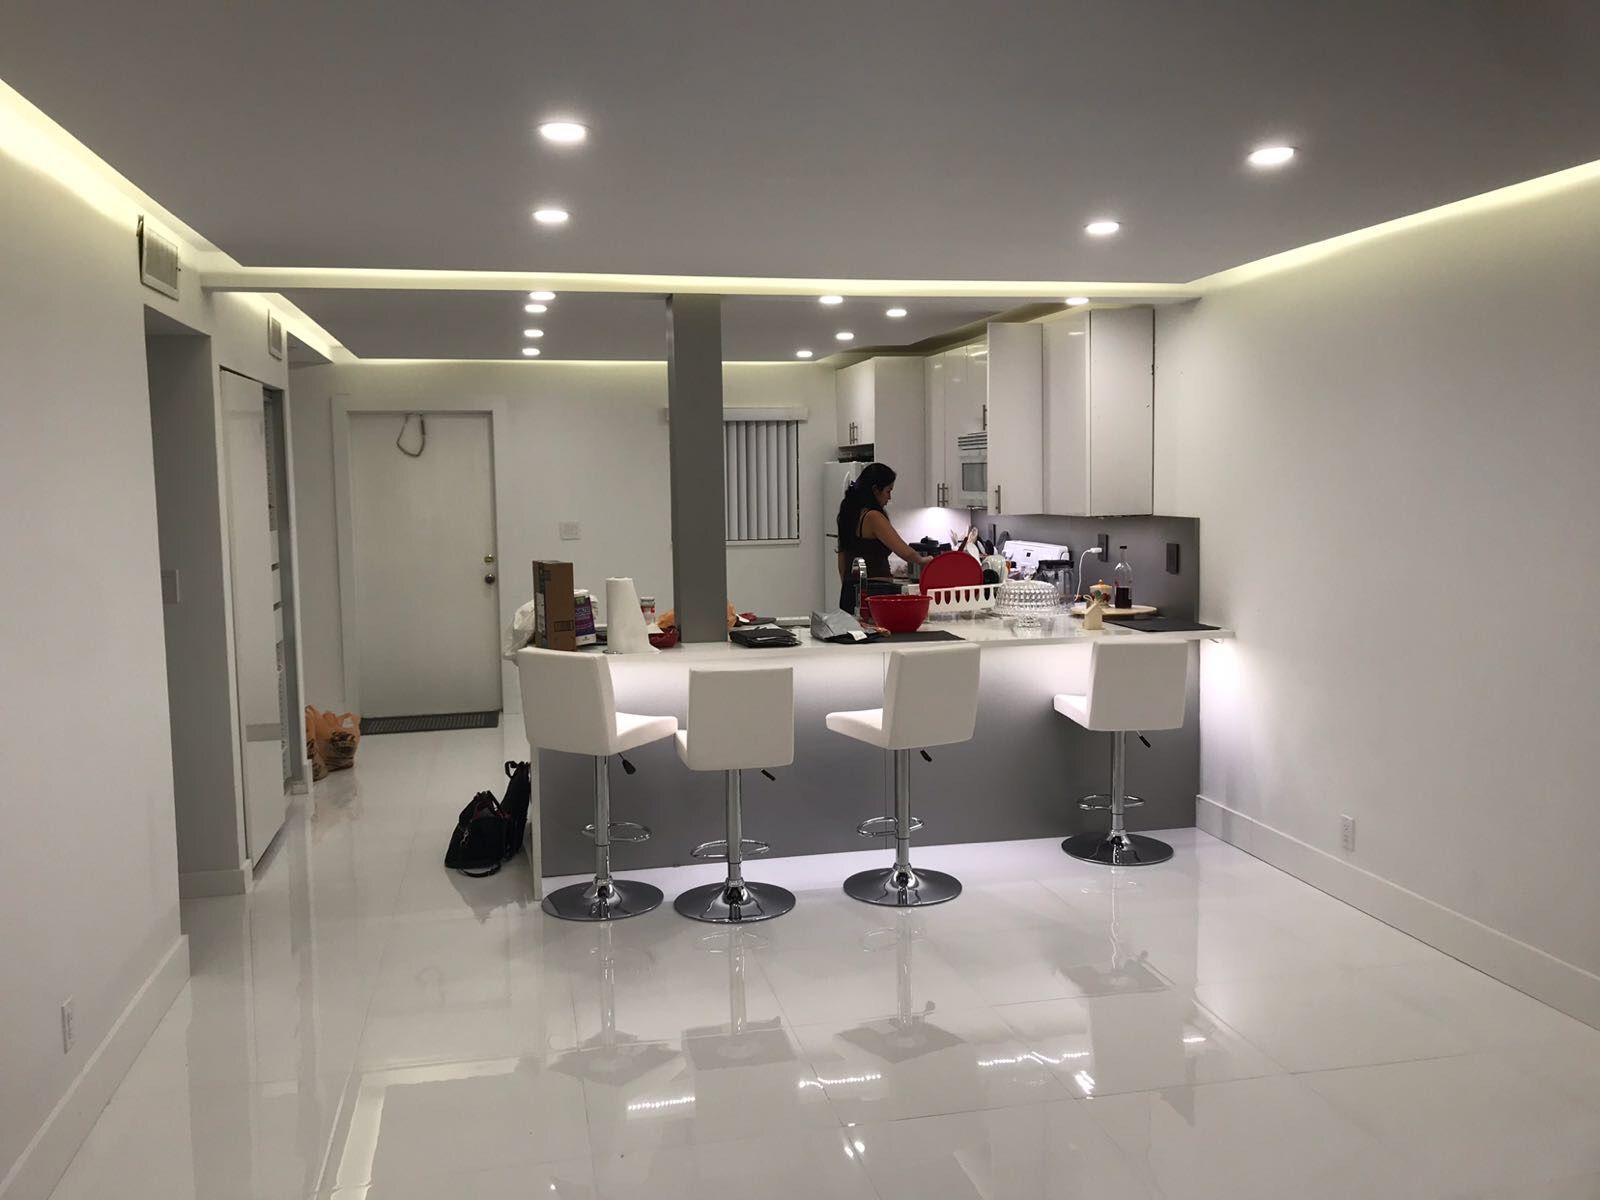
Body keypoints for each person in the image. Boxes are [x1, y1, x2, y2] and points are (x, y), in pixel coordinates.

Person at [835, 462, 933, 615]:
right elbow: (904, 551)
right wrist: (923, 560)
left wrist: (850, 590)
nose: (889, 497)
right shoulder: (873, 517)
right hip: (875, 593)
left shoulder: (849, 514)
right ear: (875, 490)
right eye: (888, 491)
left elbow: (842, 563)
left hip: (849, 593)